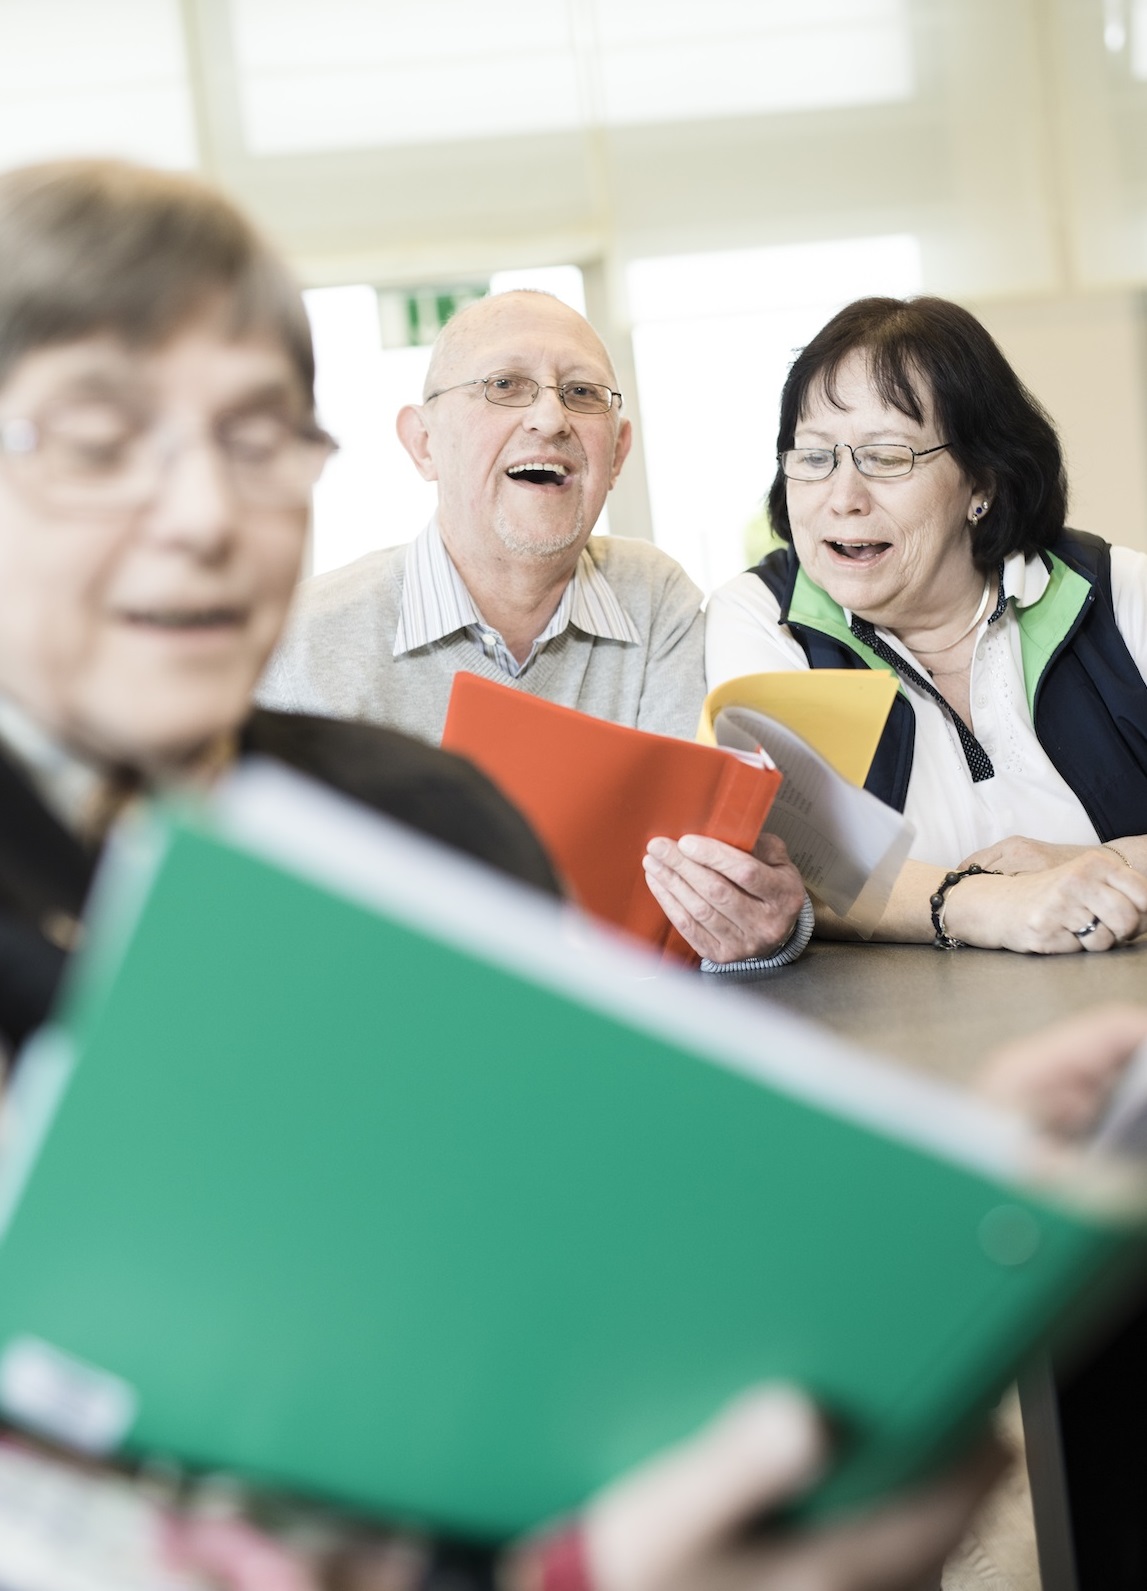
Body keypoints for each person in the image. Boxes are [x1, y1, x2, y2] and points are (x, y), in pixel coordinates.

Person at [0, 159, 1003, 1591]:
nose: (203, 514)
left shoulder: (433, 816)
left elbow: (543, 1256)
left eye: (256, 440)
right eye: (99, 439)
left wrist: (876, 1247)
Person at [262, 288, 809, 970]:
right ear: (422, 443)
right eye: (504, 385)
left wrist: (761, 925)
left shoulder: (655, 600)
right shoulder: (301, 645)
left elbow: (695, 894)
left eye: (581, 392)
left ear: (616, 453)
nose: (549, 417)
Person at [705, 294, 1147, 956]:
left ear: (982, 481)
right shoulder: (763, 619)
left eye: (886, 457)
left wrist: (1093, 864)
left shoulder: (1115, 593)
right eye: (814, 456)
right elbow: (791, 866)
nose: (843, 497)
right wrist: (987, 902)